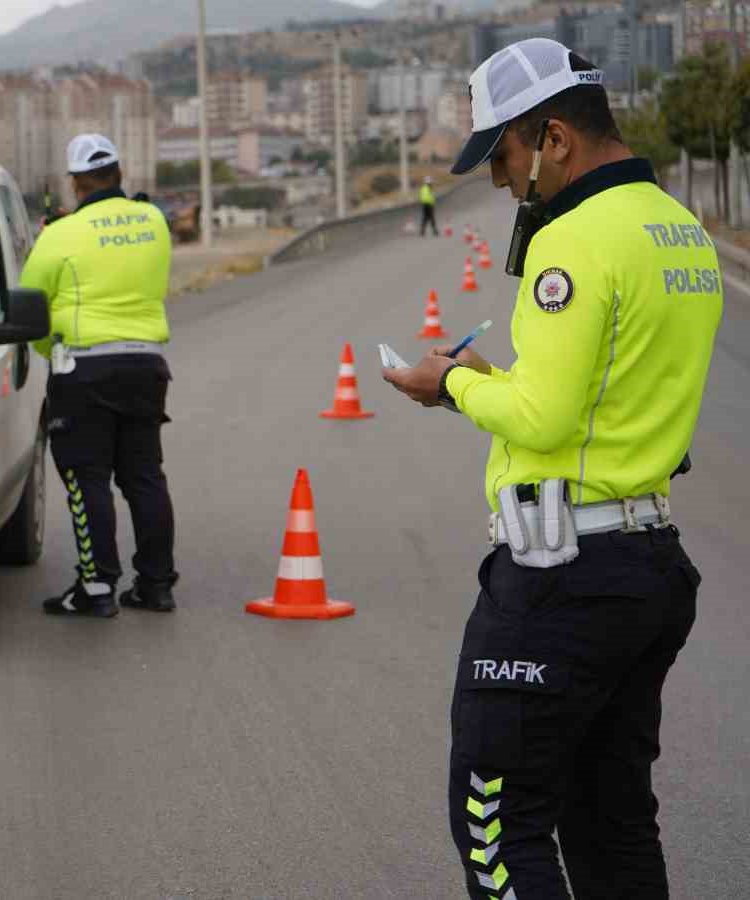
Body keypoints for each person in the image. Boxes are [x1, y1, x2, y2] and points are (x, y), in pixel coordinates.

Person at [382, 38, 721, 899]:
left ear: (556, 138)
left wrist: (452, 382)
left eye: (503, 156)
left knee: (496, 821)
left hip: (564, 576)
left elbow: (546, 418)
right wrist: (507, 383)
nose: (500, 180)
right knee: (612, 825)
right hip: (646, 561)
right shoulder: (679, 228)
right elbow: (613, 391)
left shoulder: (571, 239)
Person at [19, 133, 179, 618]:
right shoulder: (153, 220)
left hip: (85, 369)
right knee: (144, 477)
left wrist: (53, 352)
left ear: (75, 181)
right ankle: (156, 585)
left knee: (86, 479)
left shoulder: (61, 234)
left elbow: (30, 307)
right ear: (119, 173)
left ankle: (96, 588)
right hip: (146, 364)